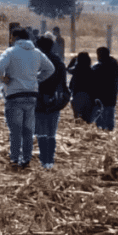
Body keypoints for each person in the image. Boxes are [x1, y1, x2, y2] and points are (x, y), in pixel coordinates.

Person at [0, 28, 54, 169]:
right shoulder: (37, 52)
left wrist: (3, 79)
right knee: (28, 130)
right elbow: (50, 69)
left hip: (14, 95)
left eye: (11, 37)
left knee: (16, 130)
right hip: (31, 95)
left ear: (15, 38)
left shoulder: (10, 52)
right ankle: (26, 159)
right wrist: (37, 79)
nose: (10, 40)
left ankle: (15, 158)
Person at [35, 36, 67, 169]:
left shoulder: (38, 61)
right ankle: (50, 160)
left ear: (39, 47)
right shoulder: (59, 62)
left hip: (40, 100)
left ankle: (44, 159)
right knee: (51, 132)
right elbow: (63, 83)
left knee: (41, 131)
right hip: (55, 100)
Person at [91, 47, 118, 131]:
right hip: (112, 92)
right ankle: (110, 127)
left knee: (100, 110)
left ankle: (101, 127)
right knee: (110, 110)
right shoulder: (114, 65)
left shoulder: (98, 67)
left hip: (100, 93)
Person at [68, 52, 94, 122]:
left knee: (78, 118)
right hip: (89, 96)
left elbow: (68, 69)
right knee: (87, 118)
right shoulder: (91, 70)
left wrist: (73, 60)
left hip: (77, 94)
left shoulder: (76, 69)